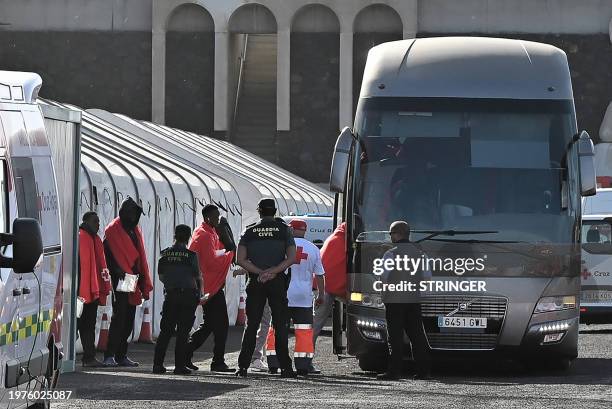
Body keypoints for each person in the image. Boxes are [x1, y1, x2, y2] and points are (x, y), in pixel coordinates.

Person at [235, 198, 297, 378]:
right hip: (277, 282)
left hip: (256, 281)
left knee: (252, 324)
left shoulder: (250, 230)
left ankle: (243, 367)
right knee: (280, 325)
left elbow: (240, 259)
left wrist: (260, 272)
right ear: (275, 211)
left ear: (259, 211)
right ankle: (286, 367)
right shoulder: (284, 230)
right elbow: (291, 257)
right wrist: (273, 271)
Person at [265, 219, 324, 376]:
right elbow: (319, 275)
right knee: (304, 331)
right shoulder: (313, 249)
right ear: (305, 230)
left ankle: (273, 363)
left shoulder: (282, 247)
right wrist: (321, 295)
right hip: (304, 297)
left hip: (282, 295)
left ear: (290, 229)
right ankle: (303, 365)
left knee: (277, 329)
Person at [102, 197, 154, 367]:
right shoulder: (112, 230)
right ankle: (109, 355)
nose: (133, 217)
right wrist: (117, 270)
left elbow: (140, 255)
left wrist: (141, 278)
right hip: (120, 278)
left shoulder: (135, 230)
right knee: (120, 316)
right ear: (124, 213)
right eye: (131, 213)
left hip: (132, 278)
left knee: (129, 317)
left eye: (136, 214)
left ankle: (121, 355)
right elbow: (106, 253)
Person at [377, 221, 431, 380]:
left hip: (394, 300)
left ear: (398, 234)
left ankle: (394, 372)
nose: (390, 236)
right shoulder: (421, 254)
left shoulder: (390, 254)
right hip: (413, 299)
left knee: (395, 336)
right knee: (417, 335)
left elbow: (384, 278)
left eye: (391, 233)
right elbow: (427, 279)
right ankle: (423, 371)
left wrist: (384, 293)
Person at [184, 204, 235, 372]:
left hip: (209, 286)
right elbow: (210, 262)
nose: (218, 219)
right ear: (207, 218)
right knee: (220, 325)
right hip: (209, 287)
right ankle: (217, 361)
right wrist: (230, 255)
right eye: (215, 216)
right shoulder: (204, 235)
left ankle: (187, 353)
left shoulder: (207, 232)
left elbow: (212, 254)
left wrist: (225, 252)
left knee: (210, 325)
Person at [153, 225, 201, 375]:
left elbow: (161, 276)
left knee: (165, 331)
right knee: (183, 332)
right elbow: (196, 277)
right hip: (187, 296)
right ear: (188, 237)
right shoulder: (191, 255)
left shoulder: (164, 254)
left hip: (171, 295)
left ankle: (157, 365)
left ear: (175, 235)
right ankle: (179, 366)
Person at [312, 222, 348, 373]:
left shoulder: (334, 238)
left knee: (314, 324)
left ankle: (304, 359)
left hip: (322, 287)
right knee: (315, 325)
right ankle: (305, 360)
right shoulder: (345, 241)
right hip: (326, 289)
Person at [77, 211, 111, 367]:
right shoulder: (81, 237)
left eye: (98, 221)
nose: (98, 225)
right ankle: (85, 357)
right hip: (80, 293)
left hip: (91, 291)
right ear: (87, 222)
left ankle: (89, 357)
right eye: (95, 222)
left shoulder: (94, 239)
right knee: (81, 326)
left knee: (87, 326)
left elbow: (99, 266)